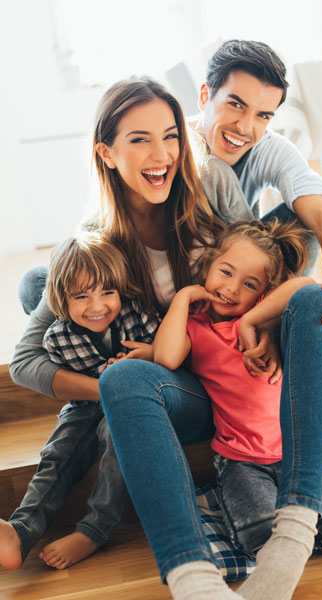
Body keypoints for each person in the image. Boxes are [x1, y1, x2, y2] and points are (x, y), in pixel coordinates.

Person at [7, 77, 248, 599]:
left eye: (171, 135)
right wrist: (110, 388)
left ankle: (95, 528)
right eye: (139, 139)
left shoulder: (211, 188)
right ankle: (23, 527)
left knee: (106, 356)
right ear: (107, 153)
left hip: (204, 379)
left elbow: (257, 272)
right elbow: (24, 360)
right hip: (143, 380)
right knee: (45, 288)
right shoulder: (101, 232)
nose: (162, 154)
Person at [153, 219, 322, 588]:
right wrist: (184, 297)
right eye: (225, 272)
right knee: (259, 541)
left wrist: (251, 319)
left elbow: (307, 287)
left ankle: (298, 517)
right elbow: (166, 359)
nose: (232, 289)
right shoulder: (195, 327)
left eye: (249, 284)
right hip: (239, 459)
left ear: (262, 293)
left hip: (296, 454)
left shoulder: (269, 323)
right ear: (206, 266)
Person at [191, 39, 322, 358]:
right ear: (205, 96)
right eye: (235, 105)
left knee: (303, 222)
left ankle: (269, 325)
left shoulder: (268, 148)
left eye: (263, 116)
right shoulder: (170, 148)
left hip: (244, 277)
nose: (245, 127)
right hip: (188, 278)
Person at [0, 231, 159, 570]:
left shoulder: (137, 316)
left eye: (107, 292)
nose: (97, 306)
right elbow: (46, 376)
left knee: (116, 437)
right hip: (84, 403)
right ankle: (21, 531)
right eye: (82, 297)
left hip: (131, 402)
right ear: (61, 299)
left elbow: (171, 354)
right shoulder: (57, 337)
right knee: (57, 453)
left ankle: (94, 530)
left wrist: (148, 358)